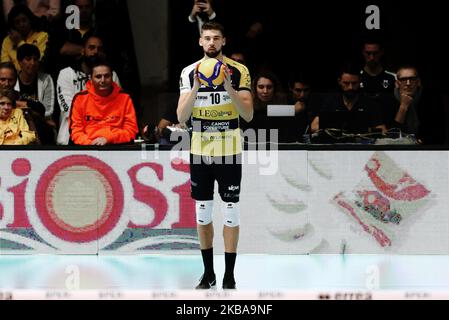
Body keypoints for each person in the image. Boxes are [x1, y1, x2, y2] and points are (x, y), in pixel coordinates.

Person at [177, 21, 253, 290]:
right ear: (200, 41)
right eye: (206, 38)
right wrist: (197, 86)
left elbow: (248, 115)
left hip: (229, 150)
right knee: (203, 213)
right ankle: (208, 273)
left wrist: (228, 87)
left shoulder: (239, 70)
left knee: (231, 212)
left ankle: (229, 275)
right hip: (200, 151)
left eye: (216, 38)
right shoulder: (188, 72)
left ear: (223, 41)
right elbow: (181, 116)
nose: (211, 43)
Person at [56, 35, 121, 145]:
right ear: (82, 51)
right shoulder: (67, 73)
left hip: (104, 140)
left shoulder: (111, 75)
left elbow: (117, 108)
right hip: (70, 141)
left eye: (99, 49)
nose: (96, 52)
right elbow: (68, 108)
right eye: (91, 48)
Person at [69, 58, 138, 145]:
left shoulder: (125, 98)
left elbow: (131, 131)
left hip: (117, 148)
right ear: (91, 78)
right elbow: (75, 131)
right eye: (98, 77)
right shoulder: (80, 99)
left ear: (112, 76)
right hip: (87, 148)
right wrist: (90, 144)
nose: (103, 80)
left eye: (106, 76)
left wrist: (109, 138)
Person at [311, 63, 386, 134]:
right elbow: (314, 127)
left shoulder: (369, 103)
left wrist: (359, 129)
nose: (351, 87)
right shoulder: (331, 102)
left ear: (360, 81)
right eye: (346, 83)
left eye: (354, 83)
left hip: (362, 145)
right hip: (337, 145)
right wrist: (339, 130)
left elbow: (382, 130)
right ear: (339, 81)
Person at [388, 65, 445, 144]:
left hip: (425, 147)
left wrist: (417, 142)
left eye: (412, 79)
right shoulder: (388, 100)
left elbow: (439, 132)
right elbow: (391, 136)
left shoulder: (431, 99)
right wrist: (403, 107)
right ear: (397, 83)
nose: (408, 83)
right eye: (403, 79)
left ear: (418, 82)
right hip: (397, 148)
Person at [14, 43, 55, 126]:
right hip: (17, 122)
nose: (33, 63)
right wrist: (33, 111)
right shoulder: (12, 79)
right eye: (28, 59)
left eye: (35, 59)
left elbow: (48, 110)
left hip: (40, 124)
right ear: (20, 62)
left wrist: (23, 107)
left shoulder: (46, 79)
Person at [1, 4, 48, 71]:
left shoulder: (42, 36)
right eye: (17, 22)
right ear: (13, 25)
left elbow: (34, 65)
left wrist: (19, 42)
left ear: (30, 20)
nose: (21, 24)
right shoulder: (7, 40)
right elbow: (5, 67)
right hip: (13, 79)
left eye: (24, 20)